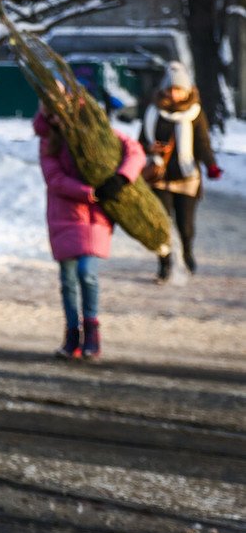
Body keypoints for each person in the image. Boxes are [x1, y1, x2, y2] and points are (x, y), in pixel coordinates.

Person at [33, 106, 144, 361]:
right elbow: (54, 178)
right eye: (53, 113)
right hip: (64, 216)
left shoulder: (99, 134)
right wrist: (89, 192)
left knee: (87, 273)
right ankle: (72, 333)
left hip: (95, 217)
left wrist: (121, 178)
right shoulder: (49, 142)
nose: (59, 116)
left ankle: (92, 330)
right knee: (68, 280)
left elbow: (134, 151)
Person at [138, 62, 222, 281]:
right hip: (159, 176)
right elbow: (140, 141)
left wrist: (211, 164)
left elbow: (202, 143)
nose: (174, 94)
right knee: (161, 223)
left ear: (187, 90)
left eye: (179, 89)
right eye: (171, 89)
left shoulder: (195, 113)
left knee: (185, 225)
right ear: (164, 89)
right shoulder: (153, 111)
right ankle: (164, 264)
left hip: (187, 177)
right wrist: (149, 148)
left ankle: (187, 253)